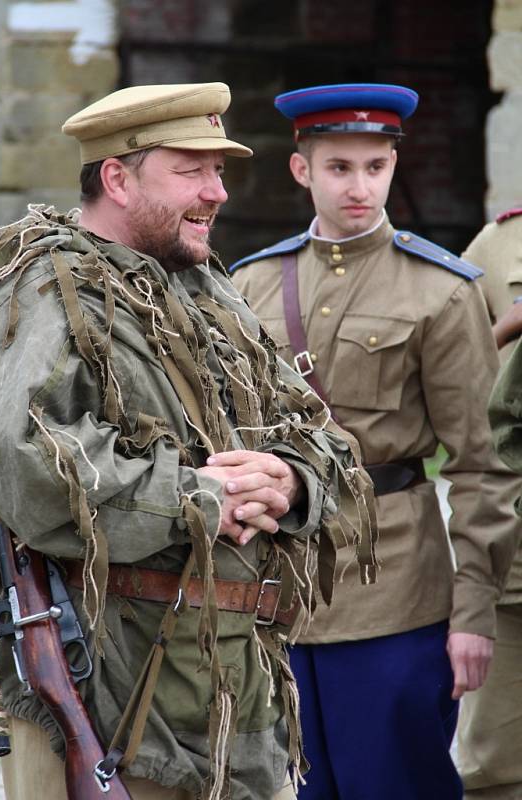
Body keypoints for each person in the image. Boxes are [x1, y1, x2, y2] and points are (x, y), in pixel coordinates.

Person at [0, 82, 378, 800]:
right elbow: (21, 460)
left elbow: (315, 428)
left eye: (220, 171)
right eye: (191, 170)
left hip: (238, 694)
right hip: (104, 695)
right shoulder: (45, 293)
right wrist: (199, 498)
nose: (218, 192)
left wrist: (290, 479)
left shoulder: (209, 290)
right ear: (117, 176)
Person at [230, 83, 520, 800]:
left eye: (375, 166)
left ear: (394, 166)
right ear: (302, 170)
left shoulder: (441, 291)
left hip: (397, 595)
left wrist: (474, 614)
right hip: (279, 594)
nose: (359, 185)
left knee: (395, 783)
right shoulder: (250, 285)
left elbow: (483, 466)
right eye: (339, 167)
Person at [456, 209, 522, 800]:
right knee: (493, 765)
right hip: (515, 553)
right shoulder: (504, 241)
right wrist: (505, 329)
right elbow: (453, 360)